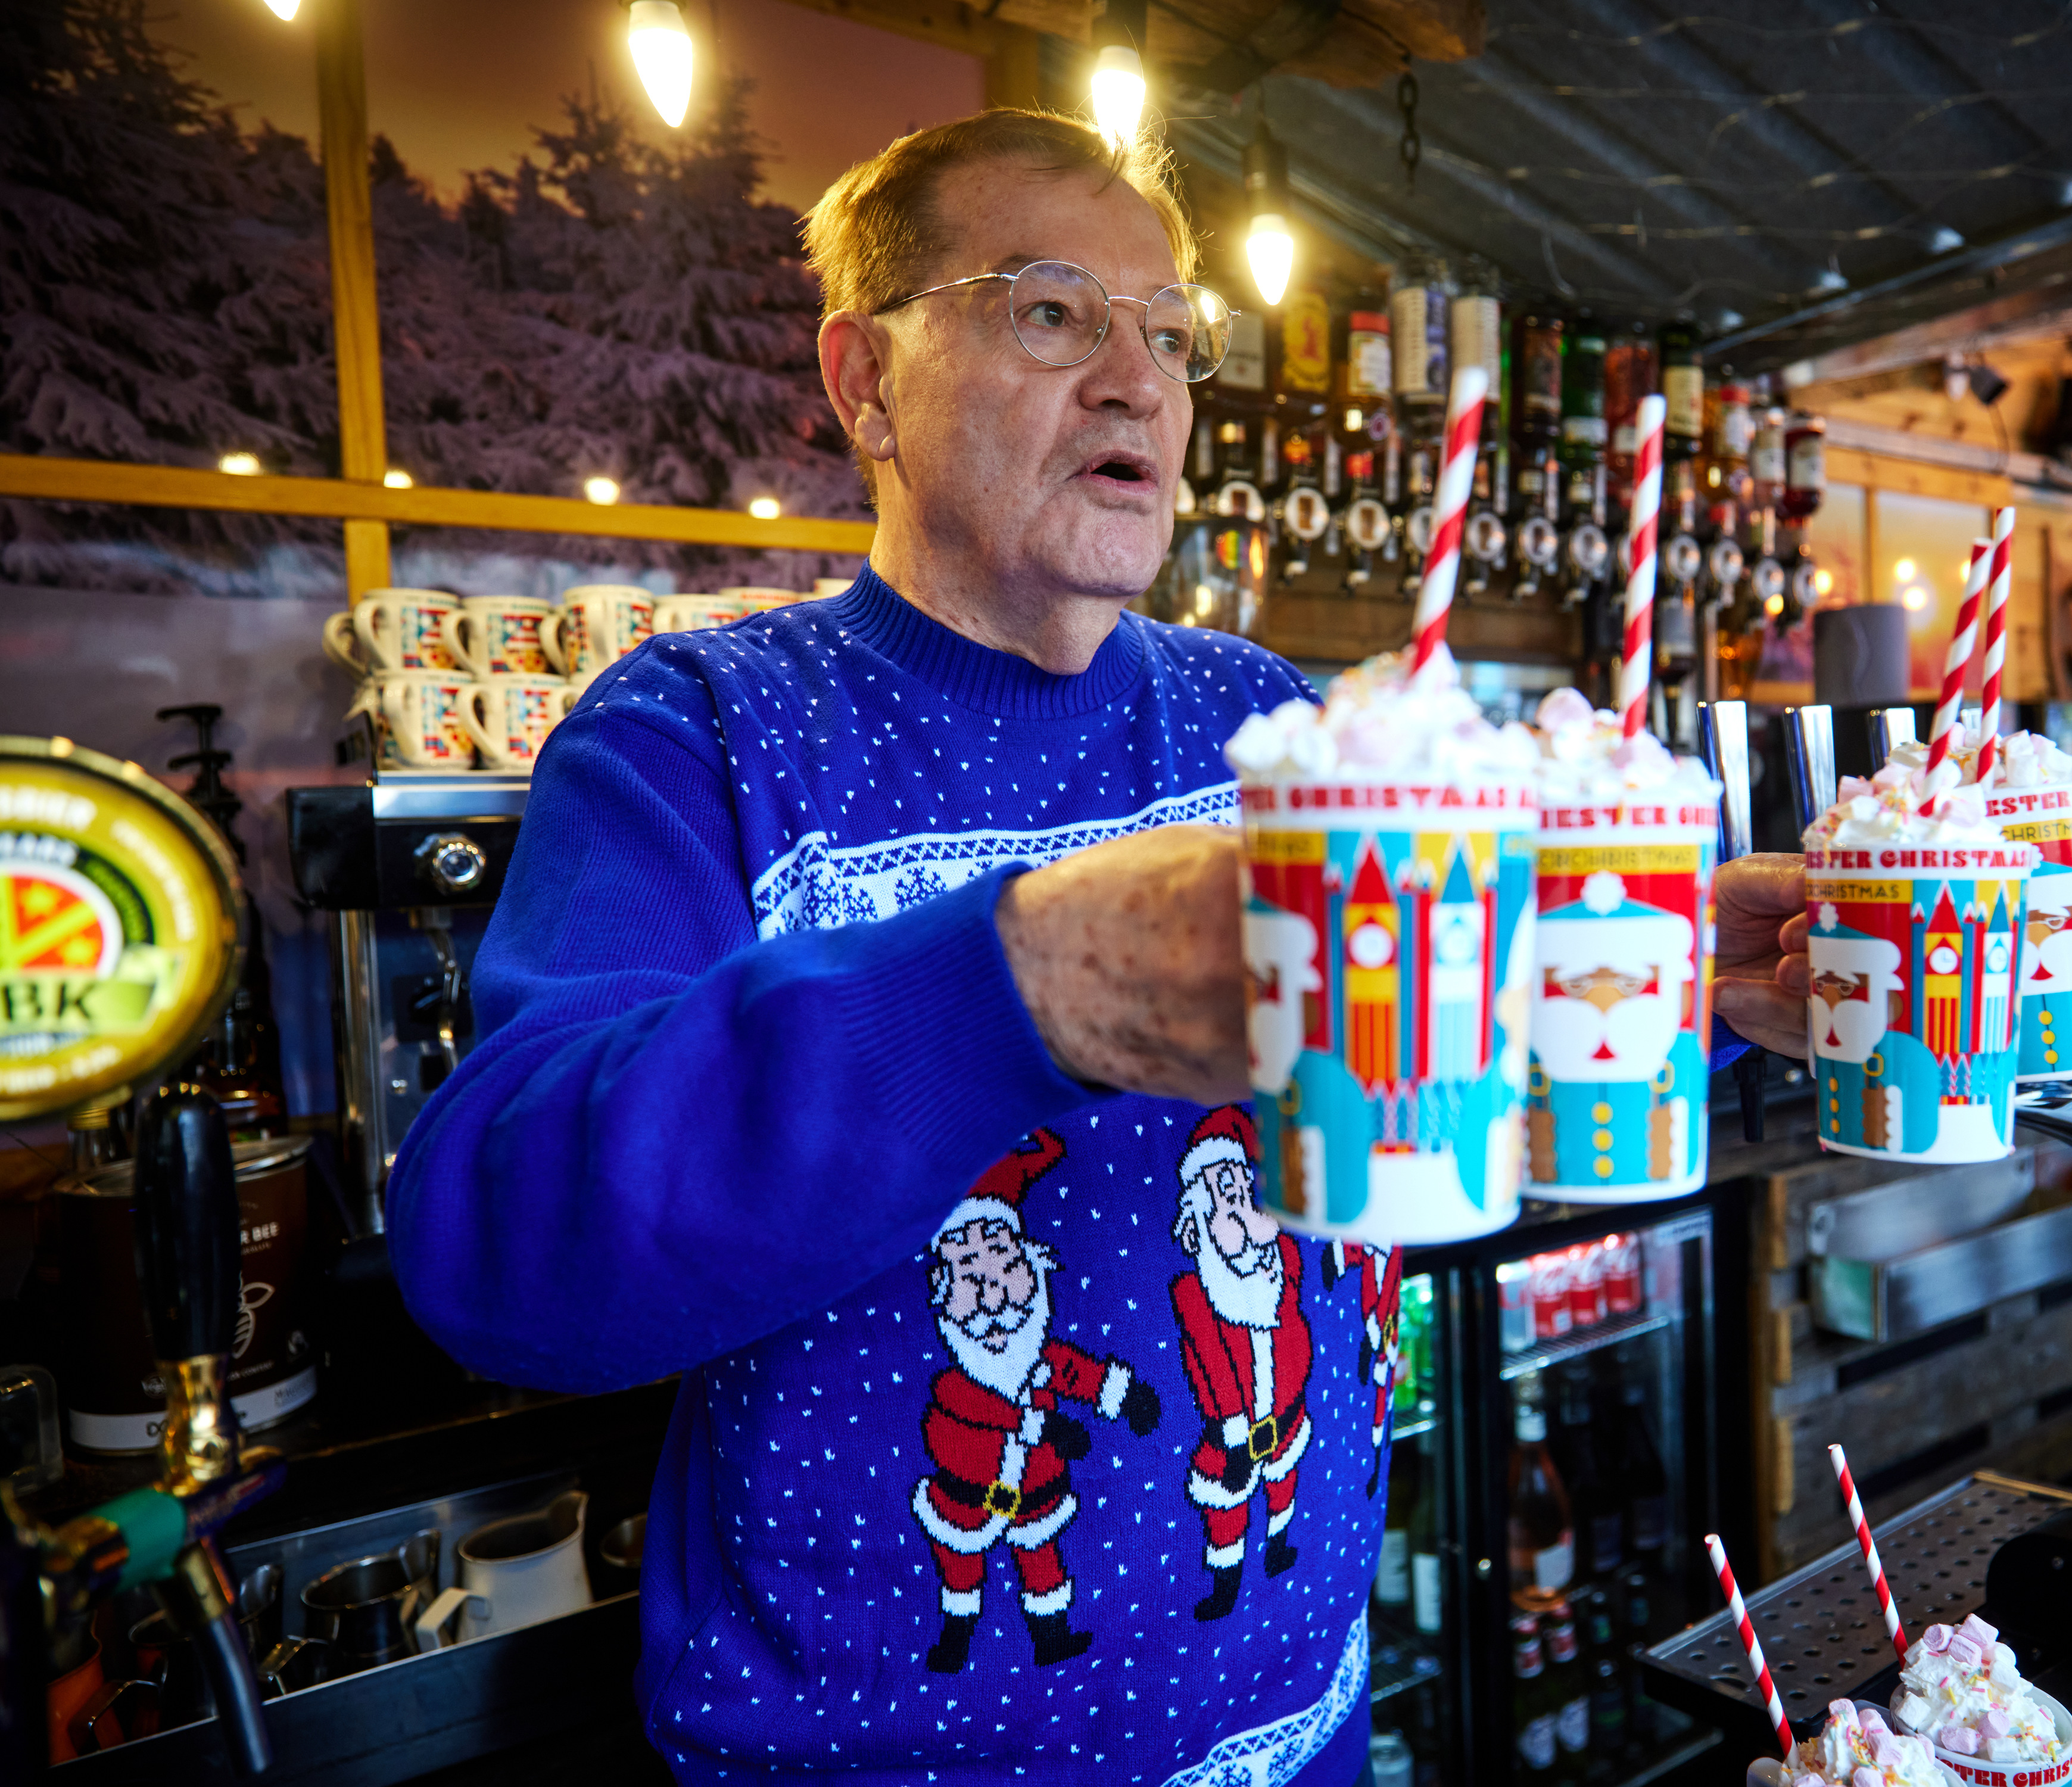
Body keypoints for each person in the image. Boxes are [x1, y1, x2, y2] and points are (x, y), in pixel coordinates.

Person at [389, 107, 1811, 1787]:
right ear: (863, 382)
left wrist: (1652, 978)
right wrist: (1019, 983)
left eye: (1169, 334)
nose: (1138, 381)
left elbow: (1429, 1093)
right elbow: (501, 1254)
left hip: (1295, 1737)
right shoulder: (703, 732)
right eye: (1052, 311)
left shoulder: (1271, 721)